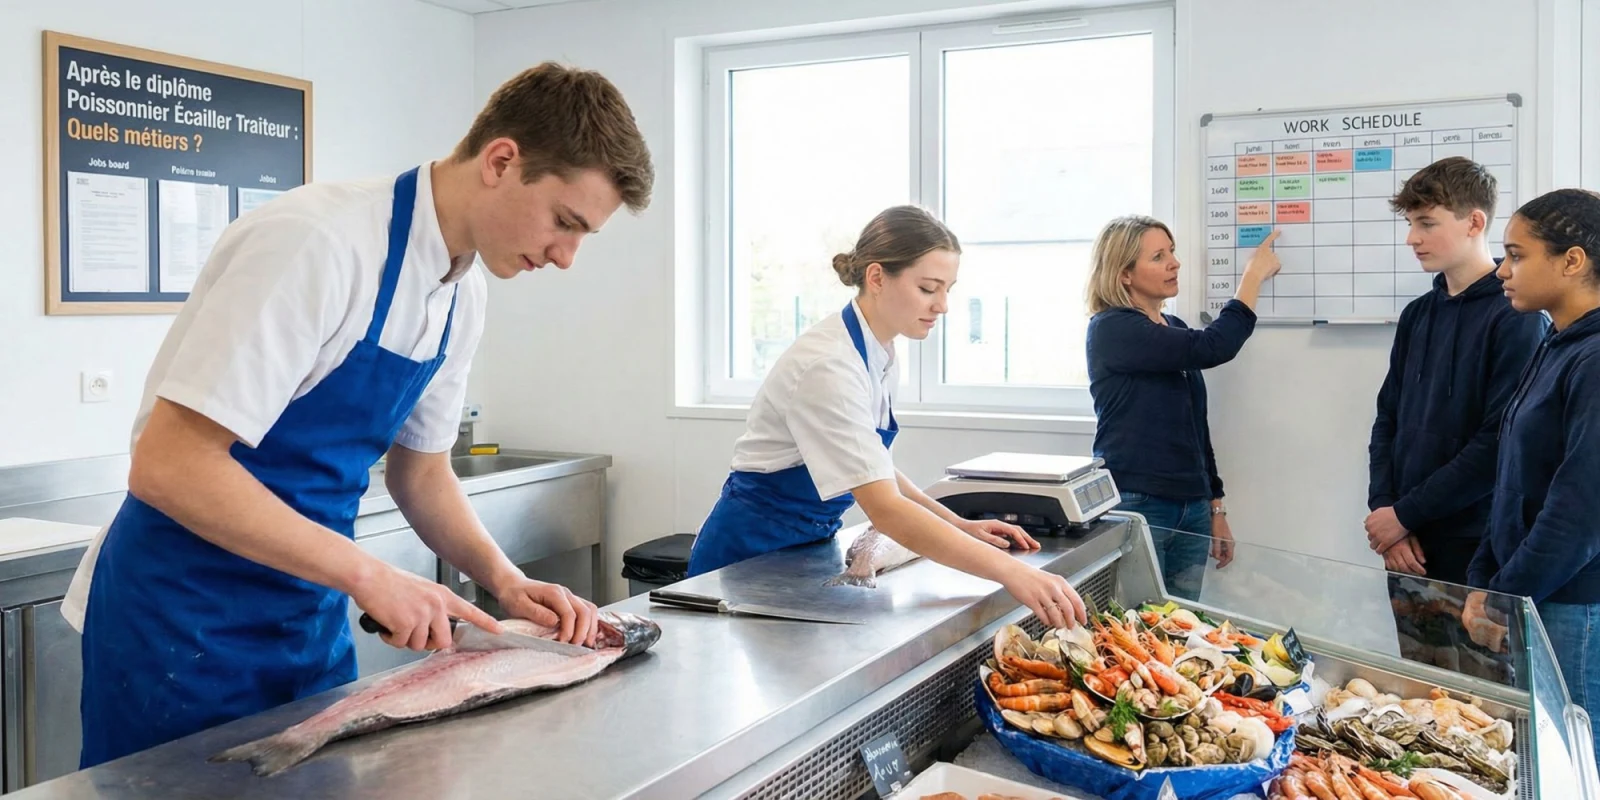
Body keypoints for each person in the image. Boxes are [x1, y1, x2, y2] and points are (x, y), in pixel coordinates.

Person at [60, 62, 655, 767]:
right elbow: (170, 465)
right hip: (177, 619)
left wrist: (505, 580)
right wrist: (370, 577)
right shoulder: (317, 242)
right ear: (502, 161)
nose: (566, 257)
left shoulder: (461, 293)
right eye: (564, 222)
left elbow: (422, 472)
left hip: (306, 617)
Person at [686, 206, 1087, 631]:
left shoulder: (879, 351)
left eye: (948, 289)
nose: (943, 306)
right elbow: (887, 510)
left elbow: (873, 465)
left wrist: (958, 523)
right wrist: (1012, 573)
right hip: (744, 559)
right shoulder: (829, 365)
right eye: (928, 288)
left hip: (799, 551)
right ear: (877, 277)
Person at [1364, 157, 1545, 585]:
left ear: (1474, 223)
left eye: (1427, 224)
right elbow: (1387, 418)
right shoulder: (1417, 314)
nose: (1412, 238)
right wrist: (1385, 511)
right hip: (1404, 538)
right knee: (1410, 639)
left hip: (1477, 542)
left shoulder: (1517, 316)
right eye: (1411, 224)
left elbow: (1498, 442)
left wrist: (1404, 515)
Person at [1465, 187, 1600, 756]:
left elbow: (1577, 515)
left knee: (1573, 761)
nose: (1502, 270)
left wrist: (1503, 597)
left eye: (1517, 256)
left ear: (1572, 261)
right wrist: (1482, 578)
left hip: (1572, 604)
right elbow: (1514, 478)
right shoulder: (1557, 343)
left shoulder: (1593, 358)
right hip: (1533, 593)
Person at [1085, 215, 1280, 601]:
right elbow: (1215, 346)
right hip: (1139, 501)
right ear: (1124, 274)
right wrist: (1252, 276)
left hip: (1191, 504)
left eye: (1172, 252)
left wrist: (1215, 506)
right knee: (1140, 620)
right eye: (1158, 257)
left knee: (1182, 623)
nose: (1175, 263)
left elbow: (1195, 427)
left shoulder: (1171, 325)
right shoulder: (1112, 328)